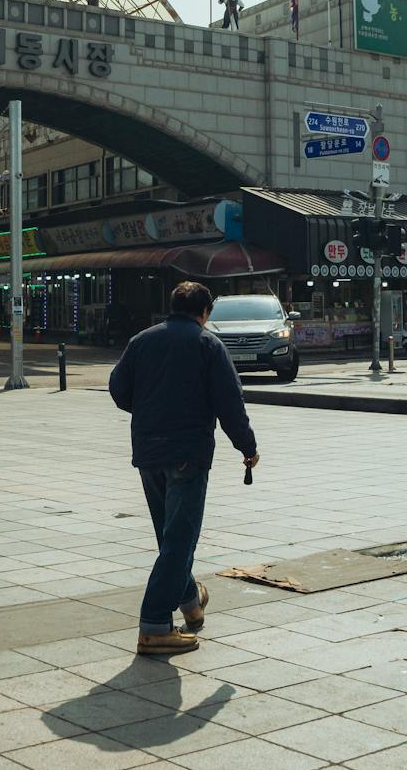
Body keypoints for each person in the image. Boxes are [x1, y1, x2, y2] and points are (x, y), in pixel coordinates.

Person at [108, 281, 258, 656]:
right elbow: (229, 404)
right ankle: (155, 624)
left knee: (170, 536)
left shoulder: (141, 340)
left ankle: (190, 599)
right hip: (188, 453)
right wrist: (248, 447)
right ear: (204, 312)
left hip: (148, 453)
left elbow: (118, 389)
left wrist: (148, 412)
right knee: (180, 539)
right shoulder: (208, 344)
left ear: (172, 306)